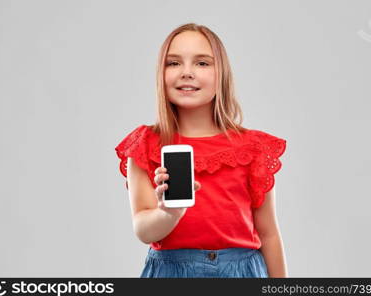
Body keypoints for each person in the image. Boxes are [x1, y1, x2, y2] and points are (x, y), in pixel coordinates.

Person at [115, 23, 288, 278]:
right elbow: (143, 230)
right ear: (160, 74)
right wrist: (168, 213)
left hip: (242, 272)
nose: (187, 72)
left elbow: (269, 233)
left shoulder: (252, 148)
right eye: (173, 63)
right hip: (170, 271)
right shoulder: (145, 144)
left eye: (202, 63)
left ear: (222, 75)